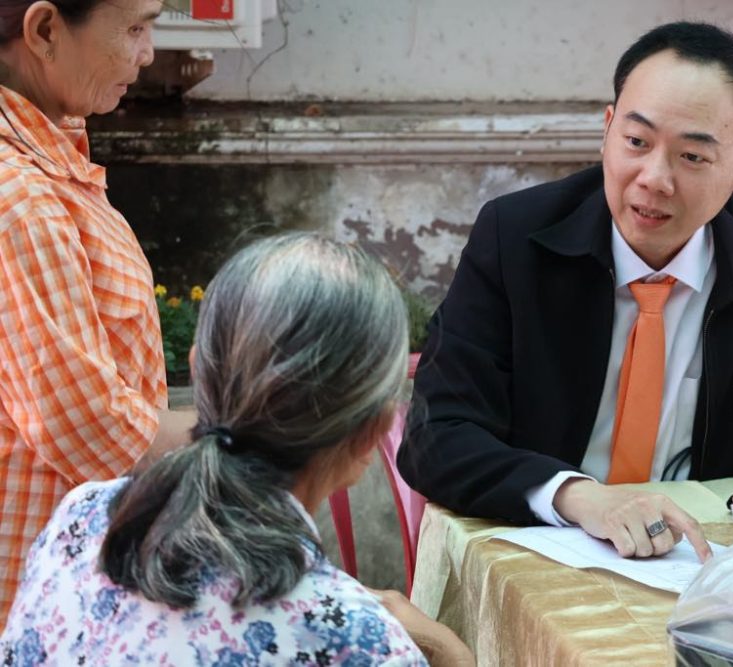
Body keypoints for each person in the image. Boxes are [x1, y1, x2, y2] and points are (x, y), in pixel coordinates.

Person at [398, 22, 733, 561]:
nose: (654, 178)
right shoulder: (515, 238)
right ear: (607, 130)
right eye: (636, 142)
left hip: (708, 556)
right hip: (548, 547)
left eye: (692, 156)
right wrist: (578, 497)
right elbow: (436, 434)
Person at [0, 233, 473, 665]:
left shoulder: (83, 520)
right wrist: (452, 653)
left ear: (198, 371)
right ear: (375, 431)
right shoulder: (358, 642)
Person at [0, 0, 196, 624]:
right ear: (45, 30)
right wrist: (244, 436)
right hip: (34, 585)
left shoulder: (49, 163)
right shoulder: (20, 197)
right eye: (135, 27)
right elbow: (85, 421)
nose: (147, 53)